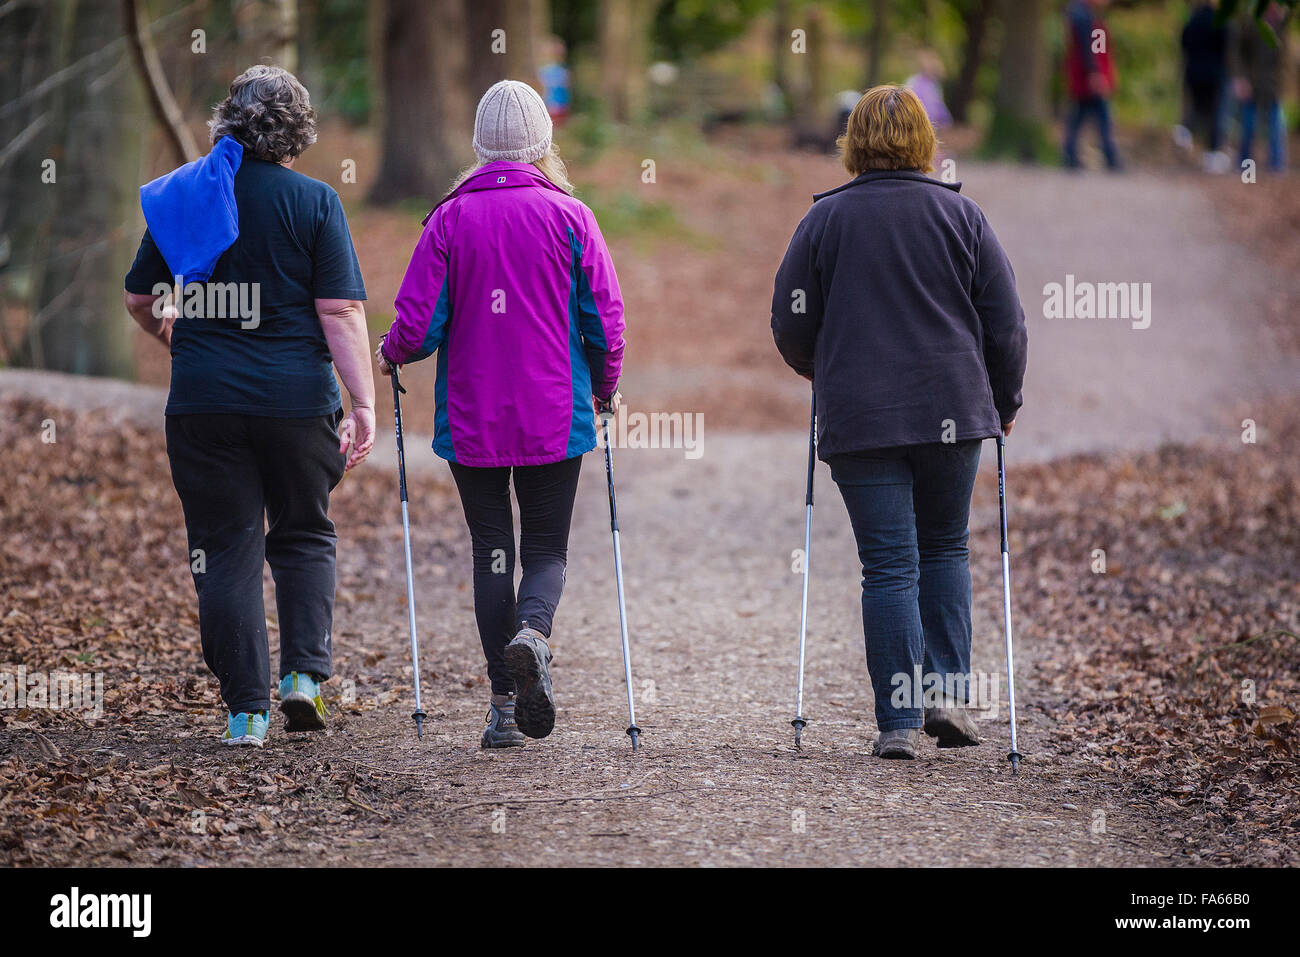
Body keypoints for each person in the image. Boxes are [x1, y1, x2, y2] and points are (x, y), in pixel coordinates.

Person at [770, 85, 1028, 760]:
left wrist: (819, 370)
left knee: (888, 564)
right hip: (953, 410)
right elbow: (1007, 324)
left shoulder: (825, 221)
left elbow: (790, 317)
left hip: (863, 416)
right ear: (925, 141)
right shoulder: (961, 216)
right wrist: (1002, 404)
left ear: (853, 141)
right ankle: (945, 695)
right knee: (943, 548)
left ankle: (898, 723)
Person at [123, 66, 374, 747]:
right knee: (303, 533)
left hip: (204, 404)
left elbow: (142, 300)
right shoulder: (316, 202)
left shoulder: (188, 195)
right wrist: (364, 403)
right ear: (299, 133)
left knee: (224, 550)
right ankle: (302, 679)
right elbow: (342, 312)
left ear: (226, 121)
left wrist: (171, 332)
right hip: (299, 404)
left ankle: (246, 716)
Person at [377, 80, 625, 749]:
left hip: (473, 416)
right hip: (555, 413)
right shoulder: (572, 216)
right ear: (544, 144)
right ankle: (533, 634)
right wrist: (605, 385)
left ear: (481, 146)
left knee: (492, 552)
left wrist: (389, 351)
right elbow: (602, 319)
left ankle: (503, 710)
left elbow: (419, 325)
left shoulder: (450, 218)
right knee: (546, 549)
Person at [1063, 0, 1122, 170]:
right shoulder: (1083, 16)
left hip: (1084, 77)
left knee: (1079, 116)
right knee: (1102, 117)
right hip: (1087, 78)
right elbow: (1089, 49)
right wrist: (1095, 73)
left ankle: (1070, 155)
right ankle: (1110, 158)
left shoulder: (1083, 14)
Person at [1232, 2, 1290, 173]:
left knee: (1276, 127)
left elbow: (1286, 60)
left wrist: (1284, 83)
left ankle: (1276, 166)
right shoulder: (1251, 24)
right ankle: (1245, 165)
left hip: (1274, 85)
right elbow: (1239, 54)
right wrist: (1242, 79)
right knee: (1248, 127)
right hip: (1253, 83)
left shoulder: (1282, 26)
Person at [1178, 1, 1231, 173]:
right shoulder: (1220, 20)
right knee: (1215, 115)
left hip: (1193, 73)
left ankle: (1185, 130)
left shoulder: (1193, 19)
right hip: (1215, 74)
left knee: (1197, 107)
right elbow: (1227, 46)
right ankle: (1212, 155)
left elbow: (1184, 42)